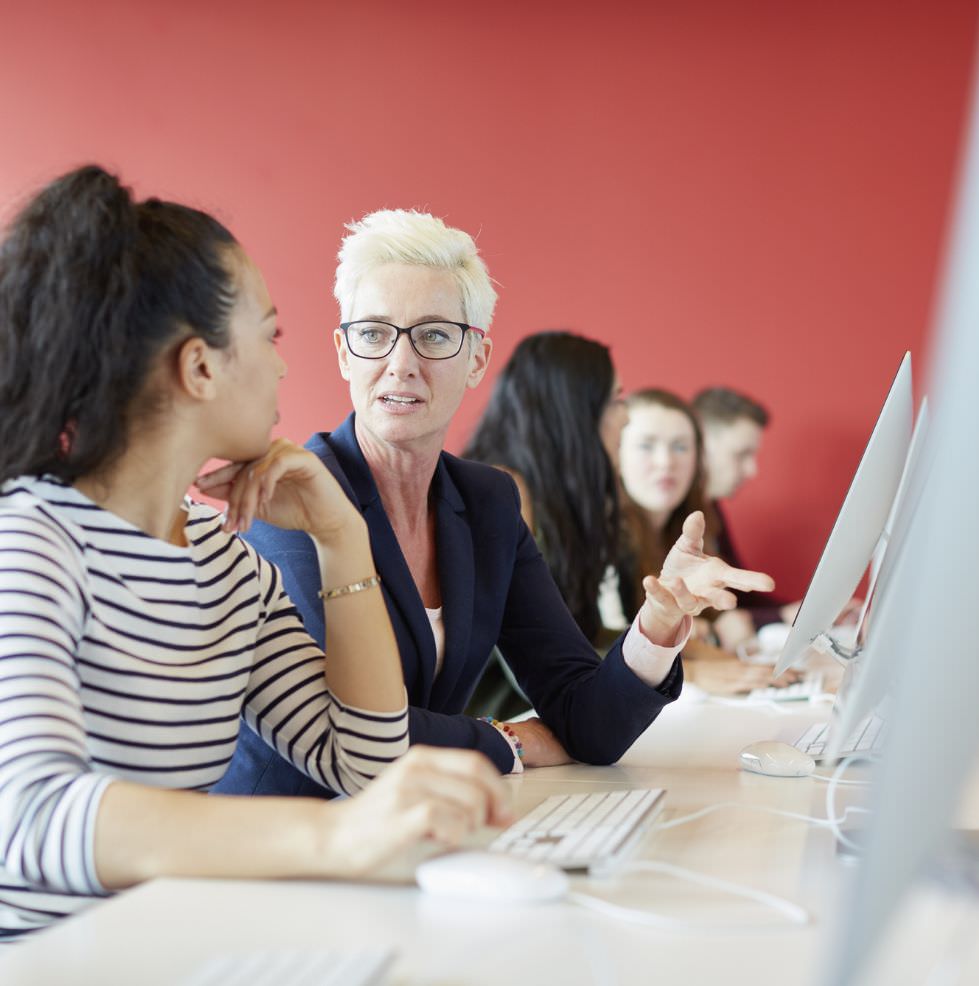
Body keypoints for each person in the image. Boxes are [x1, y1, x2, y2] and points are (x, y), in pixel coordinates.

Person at [0, 167, 509, 940]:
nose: (280, 364)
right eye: (269, 336)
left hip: (163, 945)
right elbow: (30, 815)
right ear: (201, 367)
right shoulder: (30, 539)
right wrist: (332, 839)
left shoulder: (225, 561)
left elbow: (365, 764)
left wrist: (341, 537)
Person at [215, 209, 774, 794]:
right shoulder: (294, 498)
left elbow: (591, 726)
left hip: (418, 823)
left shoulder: (487, 502)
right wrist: (507, 741)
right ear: (344, 352)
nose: (400, 364)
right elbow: (352, 729)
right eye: (374, 334)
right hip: (287, 831)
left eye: (434, 335)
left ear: (477, 359)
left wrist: (657, 628)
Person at [618, 388, 796, 692]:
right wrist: (697, 665)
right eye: (646, 445)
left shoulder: (699, 518)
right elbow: (601, 642)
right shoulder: (601, 534)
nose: (665, 462)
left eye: (680, 447)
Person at [463, 331, 627, 645]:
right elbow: (532, 651)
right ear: (575, 413)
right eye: (616, 400)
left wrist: (672, 649)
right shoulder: (504, 493)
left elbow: (580, 638)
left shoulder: (559, 496)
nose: (627, 416)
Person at [692, 387, 799, 650]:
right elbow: (709, 619)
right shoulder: (676, 517)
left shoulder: (711, 509)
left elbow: (741, 596)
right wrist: (781, 616)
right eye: (741, 454)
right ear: (701, 444)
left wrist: (802, 611)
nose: (752, 470)